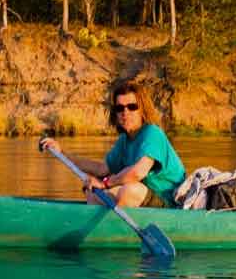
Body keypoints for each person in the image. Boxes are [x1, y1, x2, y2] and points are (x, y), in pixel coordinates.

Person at [39, 81, 187, 208]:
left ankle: (114, 230)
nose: (125, 112)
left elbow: (137, 172)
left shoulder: (152, 133)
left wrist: (105, 184)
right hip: (144, 200)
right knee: (92, 192)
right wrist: (61, 153)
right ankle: (101, 235)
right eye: (119, 108)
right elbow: (100, 168)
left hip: (169, 204)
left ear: (142, 109)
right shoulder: (124, 141)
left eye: (132, 107)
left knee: (129, 190)